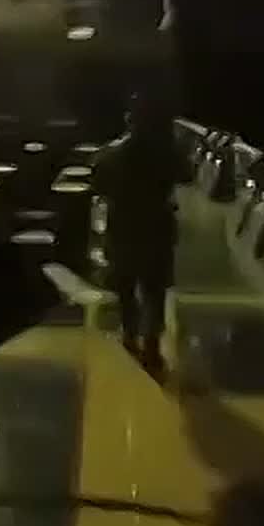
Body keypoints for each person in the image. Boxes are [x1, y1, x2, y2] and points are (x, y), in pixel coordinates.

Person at [92, 91, 188, 377]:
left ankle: (130, 334)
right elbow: (187, 175)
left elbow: (99, 184)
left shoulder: (111, 153)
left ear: (130, 120)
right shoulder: (169, 153)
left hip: (124, 226)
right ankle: (152, 345)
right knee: (154, 290)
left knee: (125, 286)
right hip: (157, 226)